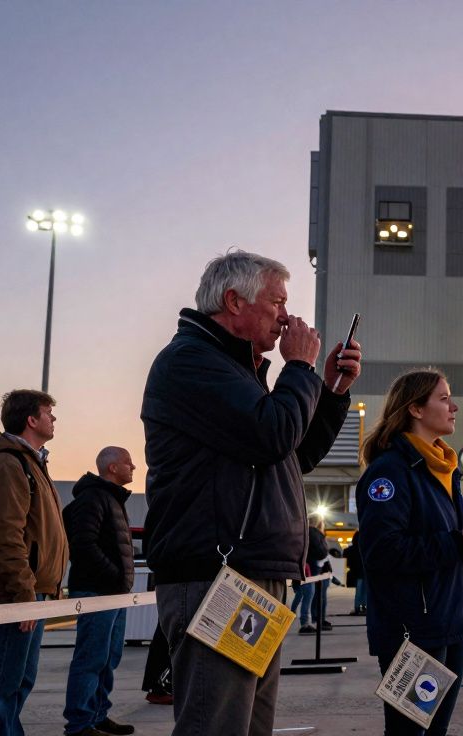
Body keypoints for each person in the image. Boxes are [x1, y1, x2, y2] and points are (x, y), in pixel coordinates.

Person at [142, 250, 362, 735]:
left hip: (250, 576)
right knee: (218, 725)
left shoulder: (239, 370)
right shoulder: (192, 363)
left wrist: (330, 391)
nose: (287, 316)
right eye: (277, 302)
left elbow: (292, 456)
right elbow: (272, 434)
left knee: (249, 725)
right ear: (234, 301)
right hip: (218, 577)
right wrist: (300, 370)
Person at [356, 369, 463, 736]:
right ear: (415, 409)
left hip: (451, 626)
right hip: (413, 632)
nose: (454, 407)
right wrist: (455, 544)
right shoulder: (391, 474)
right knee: (408, 734)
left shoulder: (445, 469)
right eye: (444, 399)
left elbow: (449, 545)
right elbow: (382, 552)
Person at [0, 389, 69, 736]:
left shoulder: (31, 463)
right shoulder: (8, 464)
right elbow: (5, 536)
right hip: (13, 596)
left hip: (32, 594)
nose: (53, 419)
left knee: (16, 685)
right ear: (31, 420)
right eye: (48, 412)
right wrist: (23, 593)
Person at [61, 447, 138, 736]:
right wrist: (115, 575)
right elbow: (83, 545)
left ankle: (97, 714)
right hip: (97, 593)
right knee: (91, 657)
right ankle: (80, 724)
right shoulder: (93, 499)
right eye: (128, 463)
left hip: (113, 593)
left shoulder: (112, 499)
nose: (134, 467)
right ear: (113, 468)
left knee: (108, 657)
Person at [292, 517, 331, 635]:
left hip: (305, 568)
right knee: (308, 595)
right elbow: (322, 551)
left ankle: (295, 615)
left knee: (302, 594)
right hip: (310, 569)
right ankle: (305, 623)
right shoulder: (314, 533)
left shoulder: (304, 532)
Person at [345, 534, 367, 615]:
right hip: (365, 573)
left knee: (358, 591)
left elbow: (348, 563)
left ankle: (357, 608)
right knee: (365, 591)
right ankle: (364, 607)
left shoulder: (350, 550)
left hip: (356, 574)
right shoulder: (365, 548)